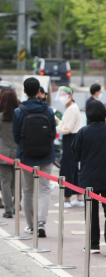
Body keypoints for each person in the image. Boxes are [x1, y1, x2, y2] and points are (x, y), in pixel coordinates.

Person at [72, 101, 106, 257]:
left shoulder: (83, 132)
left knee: (91, 211)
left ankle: (93, 244)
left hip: (88, 177)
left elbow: (76, 154)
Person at [13, 77, 56, 237]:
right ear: (39, 91)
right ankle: (41, 223)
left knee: (28, 191)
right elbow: (52, 132)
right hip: (46, 155)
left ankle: (31, 225)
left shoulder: (19, 111)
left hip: (26, 156)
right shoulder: (48, 110)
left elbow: (17, 136)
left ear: (24, 91)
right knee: (44, 189)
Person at [54, 86, 83, 208]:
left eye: (63, 94)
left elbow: (67, 128)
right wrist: (58, 121)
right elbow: (66, 125)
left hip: (70, 138)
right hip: (72, 138)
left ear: (70, 95)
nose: (62, 97)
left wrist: (53, 128)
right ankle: (78, 197)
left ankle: (67, 199)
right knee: (74, 169)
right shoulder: (71, 108)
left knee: (67, 168)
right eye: (60, 94)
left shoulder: (71, 108)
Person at [0, 88, 19, 218]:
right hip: (18, 153)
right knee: (18, 182)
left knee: (5, 182)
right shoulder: (20, 116)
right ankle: (17, 205)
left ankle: (8, 209)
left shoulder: (0, 117)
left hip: (3, 153)